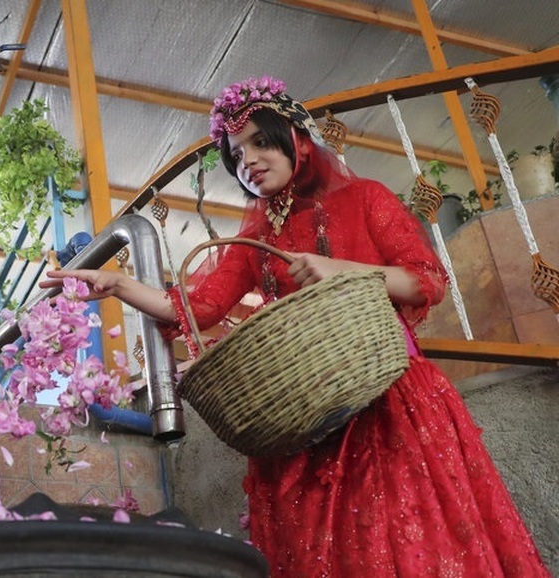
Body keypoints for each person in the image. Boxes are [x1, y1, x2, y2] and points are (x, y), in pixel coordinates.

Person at [43, 77, 550, 576]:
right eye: (238, 156)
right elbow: (200, 307)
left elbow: (427, 281)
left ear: (297, 141)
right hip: (303, 417)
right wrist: (117, 285)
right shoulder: (257, 235)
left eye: (260, 143)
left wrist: (341, 270)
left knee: (410, 544)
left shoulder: (367, 198)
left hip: (388, 399)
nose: (250, 162)